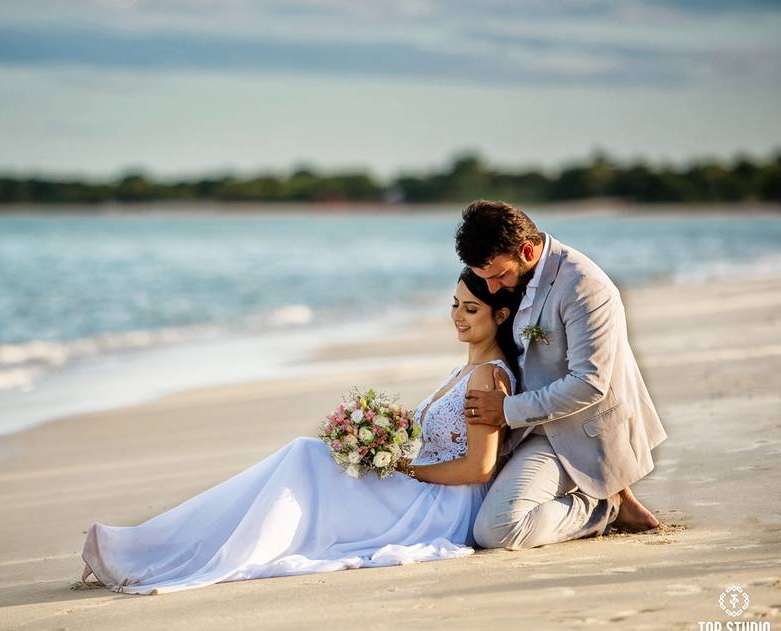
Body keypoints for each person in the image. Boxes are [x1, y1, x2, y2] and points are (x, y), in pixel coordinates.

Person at [79, 269, 521, 595]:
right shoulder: (463, 368)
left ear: (500, 315)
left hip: (443, 507)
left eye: (471, 309)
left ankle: (162, 548)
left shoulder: (488, 378)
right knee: (307, 458)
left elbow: (479, 468)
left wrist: (407, 469)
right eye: (454, 304)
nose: (457, 317)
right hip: (423, 486)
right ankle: (156, 546)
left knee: (305, 456)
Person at [456, 200, 666, 551]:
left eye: (498, 276)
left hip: (578, 431)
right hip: (528, 428)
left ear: (526, 250)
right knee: (461, 508)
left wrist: (506, 410)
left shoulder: (585, 287)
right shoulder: (505, 276)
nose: (492, 289)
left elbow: (589, 383)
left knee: (495, 530)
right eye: (484, 278)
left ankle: (603, 506)